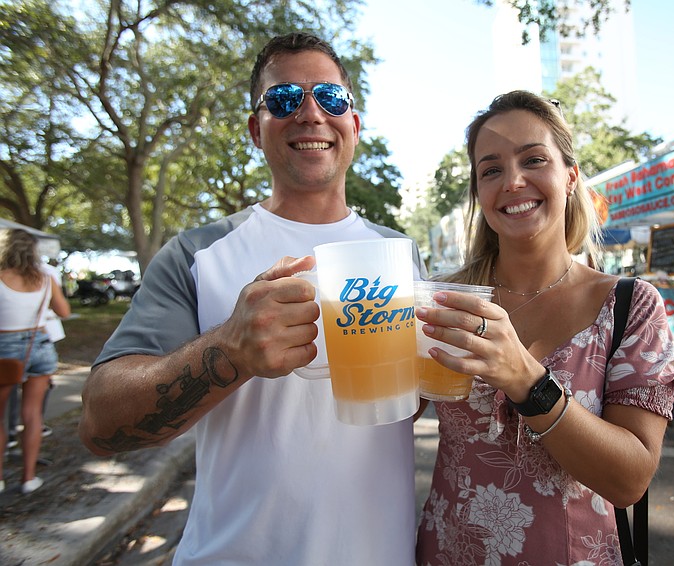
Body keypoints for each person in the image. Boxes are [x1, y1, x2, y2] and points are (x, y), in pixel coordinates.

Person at [78, 33, 424, 565]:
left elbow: (406, 403)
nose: (310, 114)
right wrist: (229, 352)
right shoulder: (196, 254)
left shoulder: (400, 254)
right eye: (284, 99)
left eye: (331, 99)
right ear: (255, 130)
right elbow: (101, 425)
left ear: (354, 126)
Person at [414, 91, 674, 565]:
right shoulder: (442, 300)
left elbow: (629, 481)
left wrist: (526, 380)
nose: (513, 181)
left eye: (533, 159)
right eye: (491, 169)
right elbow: (389, 418)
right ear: (480, 194)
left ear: (570, 176)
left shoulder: (630, 305)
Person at [0, 229, 71, 494]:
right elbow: (64, 311)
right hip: (39, 345)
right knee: (32, 415)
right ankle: (28, 478)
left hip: (4, 348)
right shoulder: (44, 278)